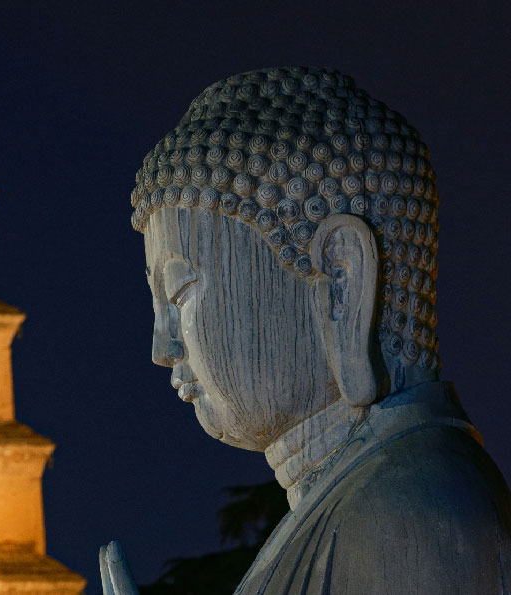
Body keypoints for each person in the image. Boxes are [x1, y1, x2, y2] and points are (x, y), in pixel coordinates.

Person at [102, 67, 511, 594]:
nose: (163, 348)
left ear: (341, 282)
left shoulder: (412, 514)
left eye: (181, 293)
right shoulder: (352, 499)